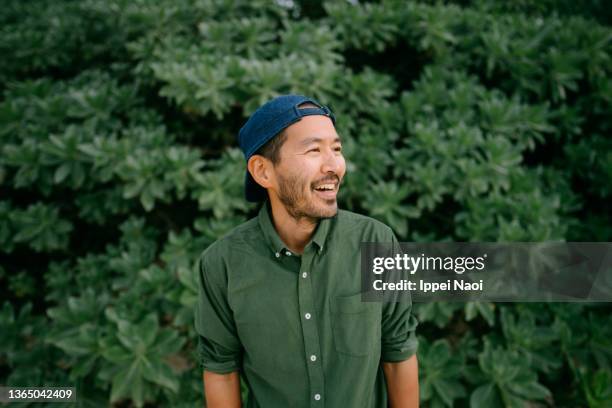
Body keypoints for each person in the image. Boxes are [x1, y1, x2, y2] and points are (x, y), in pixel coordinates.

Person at [194, 95, 419, 407]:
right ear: (263, 172)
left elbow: (398, 352)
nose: (334, 166)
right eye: (314, 150)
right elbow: (221, 370)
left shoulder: (376, 242)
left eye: (336, 149)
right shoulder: (223, 264)